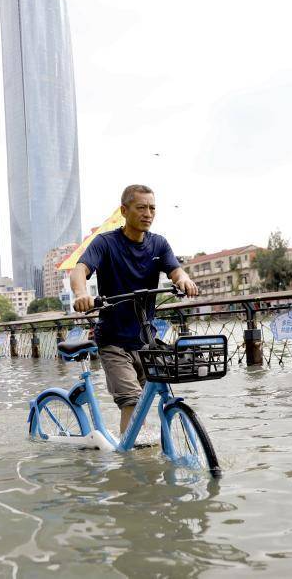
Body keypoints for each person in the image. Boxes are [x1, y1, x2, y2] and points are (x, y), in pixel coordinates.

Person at [71, 184, 199, 435]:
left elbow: (176, 271)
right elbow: (80, 270)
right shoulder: (105, 243)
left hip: (145, 340)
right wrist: (81, 293)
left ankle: (149, 452)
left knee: (150, 399)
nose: (148, 213)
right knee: (131, 401)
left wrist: (183, 280)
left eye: (152, 208)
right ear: (124, 210)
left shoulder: (159, 244)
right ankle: (130, 465)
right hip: (113, 340)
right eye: (141, 207)